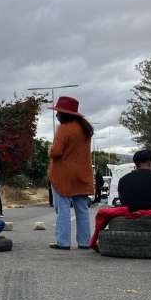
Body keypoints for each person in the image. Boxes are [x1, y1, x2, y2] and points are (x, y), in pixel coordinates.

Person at [47, 96, 93, 250]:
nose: (56, 115)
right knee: (82, 209)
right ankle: (85, 242)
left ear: (64, 113)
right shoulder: (85, 129)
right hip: (82, 174)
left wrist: (49, 149)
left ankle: (63, 242)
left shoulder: (64, 129)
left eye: (58, 112)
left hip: (63, 175)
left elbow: (56, 152)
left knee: (63, 209)